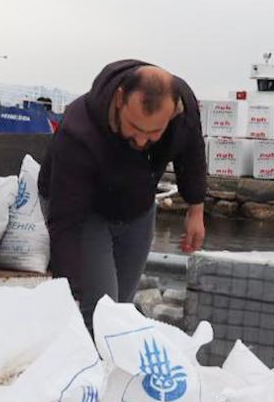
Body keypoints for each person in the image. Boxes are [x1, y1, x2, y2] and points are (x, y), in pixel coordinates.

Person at [38, 60, 206, 329]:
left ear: (173, 111)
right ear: (119, 100)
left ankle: (113, 362)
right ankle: (85, 364)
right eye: (134, 128)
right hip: (85, 210)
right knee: (98, 308)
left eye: (153, 133)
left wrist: (195, 208)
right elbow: (66, 222)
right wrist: (70, 289)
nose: (141, 141)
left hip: (137, 204)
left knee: (120, 311)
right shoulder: (79, 130)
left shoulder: (183, 106)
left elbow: (192, 152)